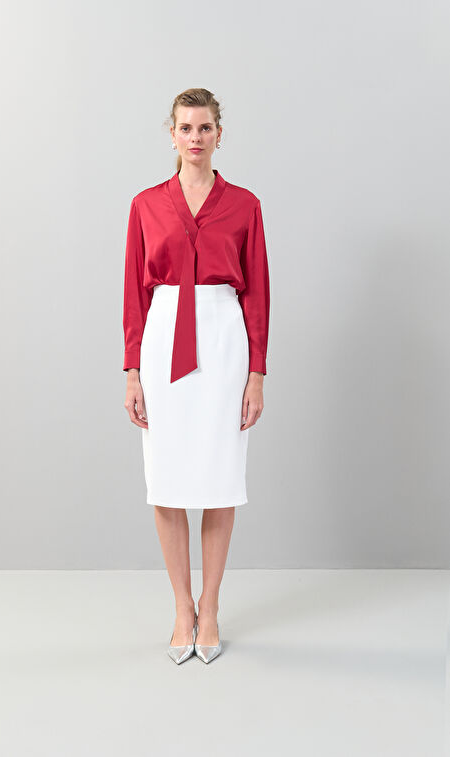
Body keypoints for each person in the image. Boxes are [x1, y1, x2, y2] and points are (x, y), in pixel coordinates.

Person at [122, 88, 270, 664]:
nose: (195, 138)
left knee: (219, 475)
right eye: (185, 128)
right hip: (164, 341)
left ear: (218, 134)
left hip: (223, 338)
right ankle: (182, 606)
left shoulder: (245, 205)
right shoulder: (145, 205)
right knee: (166, 476)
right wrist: (132, 371)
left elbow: (257, 294)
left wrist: (255, 374)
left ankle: (211, 605)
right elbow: (135, 294)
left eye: (205, 128)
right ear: (172, 134)